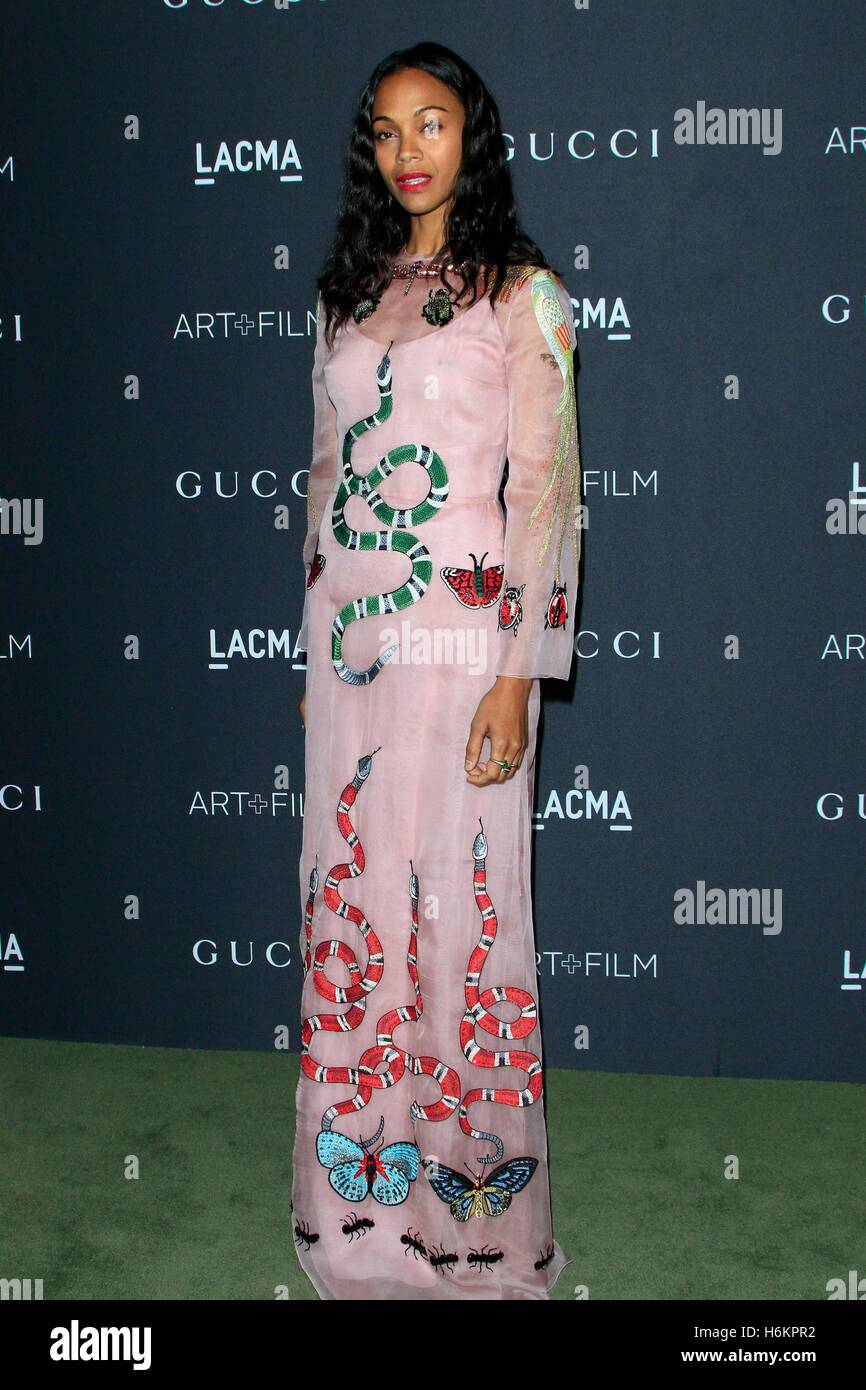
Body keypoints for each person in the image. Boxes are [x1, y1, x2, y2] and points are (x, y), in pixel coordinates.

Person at [291, 40, 582, 1300]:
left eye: (433, 122)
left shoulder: (527, 297)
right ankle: (356, 1220)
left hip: (465, 653)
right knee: (355, 914)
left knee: (461, 915)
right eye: (387, 130)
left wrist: (519, 673)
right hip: (349, 656)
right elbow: (320, 482)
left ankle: (469, 1233)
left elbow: (545, 500)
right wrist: (310, 650)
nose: (410, 151)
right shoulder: (344, 298)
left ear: (475, 135)